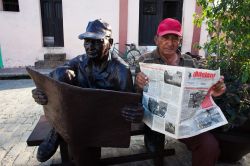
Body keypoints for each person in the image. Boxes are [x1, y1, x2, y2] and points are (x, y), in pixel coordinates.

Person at [32, 19, 143, 165]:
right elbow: (52, 78)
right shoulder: (79, 61)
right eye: (87, 42)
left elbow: (129, 104)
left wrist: (135, 111)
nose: (89, 47)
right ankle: (57, 131)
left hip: (103, 121)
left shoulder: (121, 70)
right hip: (78, 118)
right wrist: (41, 91)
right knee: (61, 73)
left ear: (110, 42)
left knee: (80, 142)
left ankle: (59, 132)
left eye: (96, 42)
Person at [135, 18, 226, 166]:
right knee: (155, 153)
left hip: (185, 119)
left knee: (209, 146)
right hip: (155, 118)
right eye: (165, 37)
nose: (170, 43)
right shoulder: (145, 61)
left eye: (175, 38)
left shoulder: (190, 62)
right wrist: (138, 83)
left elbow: (202, 91)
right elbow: (134, 92)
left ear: (180, 40)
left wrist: (214, 90)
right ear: (156, 39)